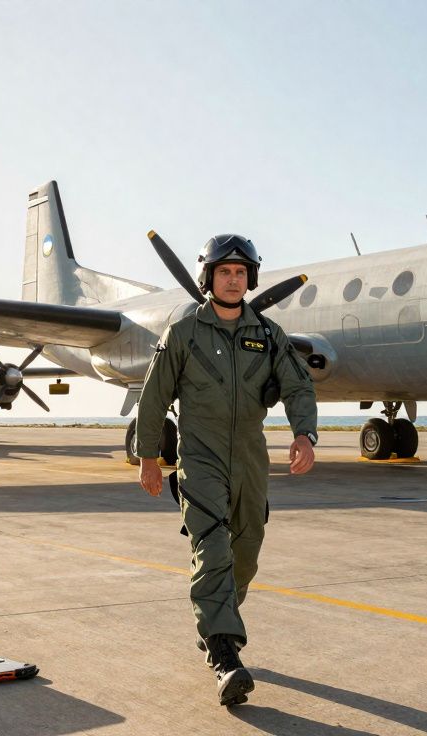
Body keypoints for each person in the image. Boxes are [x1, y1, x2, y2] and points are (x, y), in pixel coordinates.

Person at [135, 234, 318, 706]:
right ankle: (224, 653)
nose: (233, 280)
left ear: (249, 278)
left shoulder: (269, 335)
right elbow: (153, 397)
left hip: (251, 458)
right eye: (224, 272)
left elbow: (298, 386)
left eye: (240, 272)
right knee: (213, 546)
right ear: (209, 278)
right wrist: (149, 457)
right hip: (201, 456)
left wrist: (304, 434)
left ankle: (216, 618)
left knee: (247, 550)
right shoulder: (183, 334)